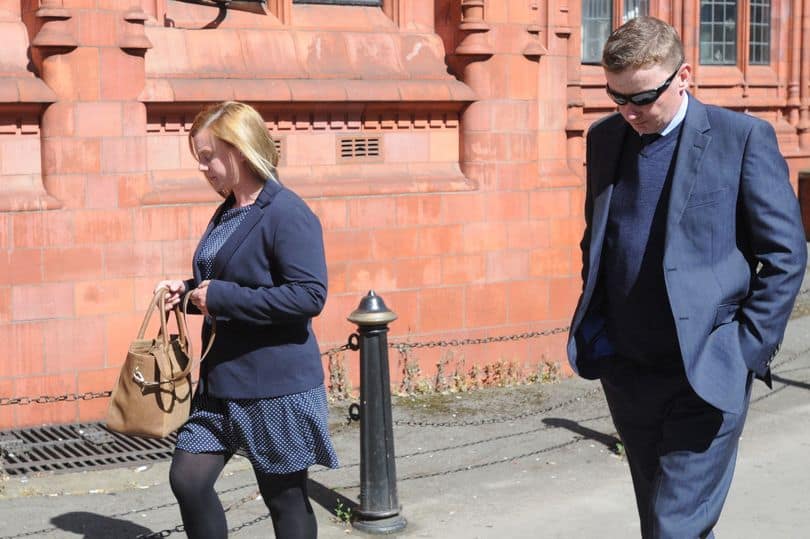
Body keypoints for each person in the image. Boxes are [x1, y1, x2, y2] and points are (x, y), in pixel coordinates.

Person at [567, 16, 807, 538]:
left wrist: (744, 349)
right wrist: (602, 335)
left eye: (644, 98)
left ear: (685, 75)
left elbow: (786, 255)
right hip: (627, 372)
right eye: (617, 98)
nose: (630, 112)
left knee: (674, 528)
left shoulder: (741, 138)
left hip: (706, 371)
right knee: (664, 522)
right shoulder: (605, 138)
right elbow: (599, 238)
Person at [155, 101, 338, 539]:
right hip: (221, 383)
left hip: (274, 387)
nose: (203, 168)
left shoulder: (286, 212)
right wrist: (189, 290)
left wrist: (219, 297)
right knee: (188, 479)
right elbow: (232, 275)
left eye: (207, 157)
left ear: (237, 151)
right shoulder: (229, 208)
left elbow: (309, 295)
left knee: (285, 501)